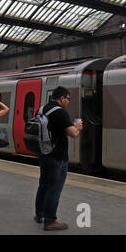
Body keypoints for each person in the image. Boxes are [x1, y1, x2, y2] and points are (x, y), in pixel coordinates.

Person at [34, 86, 83, 231]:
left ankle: (39, 214)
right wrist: (78, 127)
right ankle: (50, 221)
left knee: (43, 185)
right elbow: (73, 133)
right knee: (54, 189)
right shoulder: (61, 112)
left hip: (43, 154)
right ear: (62, 98)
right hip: (57, 157)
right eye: (68, 98)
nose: (68, 101)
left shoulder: (41, 109)